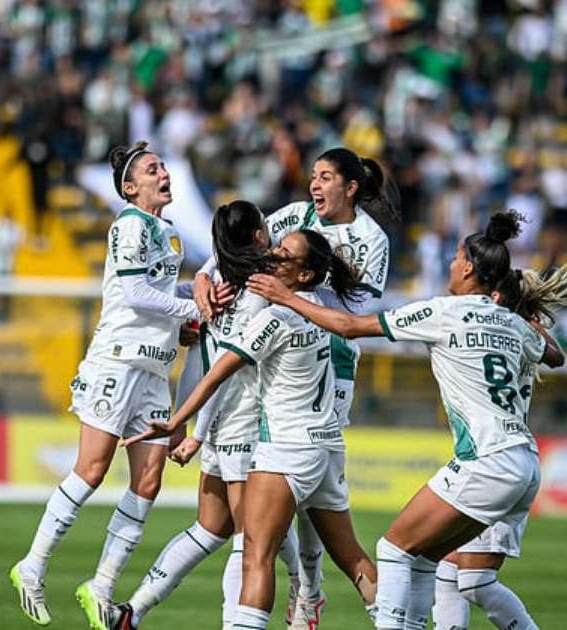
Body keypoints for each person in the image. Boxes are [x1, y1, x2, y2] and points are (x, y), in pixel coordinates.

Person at [246, 211, 565, 630]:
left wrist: (288, 298)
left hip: (486, 460)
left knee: (394, 550)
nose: (450, 264)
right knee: (428, 559)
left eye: (456, 258)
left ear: (468, 268)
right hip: (526, 462)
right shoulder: (513, 322)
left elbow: (350, 327)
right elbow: (555, 355)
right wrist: (517, 315)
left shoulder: (443, 312)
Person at [128, 229, 379, 630]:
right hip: (328, 447)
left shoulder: (275, 318)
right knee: (352, 558)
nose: (273, 256)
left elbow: (217, 374)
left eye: (284, 255)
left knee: (255, 555)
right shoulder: (320, 308)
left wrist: (178, 422)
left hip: (287, 447)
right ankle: (396, 621)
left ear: (304, 274)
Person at [196, 146, 397, 627]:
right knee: (310, 496)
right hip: (278, 359)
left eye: (325, 176)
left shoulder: (372, 240)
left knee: (270, 524)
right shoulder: (295, 216)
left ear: (350, 187)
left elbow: (356, 313)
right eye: (313, 175)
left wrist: (292, 296)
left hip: (330, 367)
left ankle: (307, 586)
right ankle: (312, 588)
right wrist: (203, 277)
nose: (314, 184)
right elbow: (240, 248)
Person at [9, 141, 201, 627]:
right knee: (92, 470)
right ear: (130, 188)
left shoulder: (168, 232)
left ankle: (101, 586)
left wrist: (195, 297)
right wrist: (193, 306)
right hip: (118, 362)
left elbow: (160, 292)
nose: (164, 174)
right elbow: (136, 294)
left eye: (163, 167)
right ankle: (32, 565)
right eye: (153, 170)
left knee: (149, 481)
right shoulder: (130, 224)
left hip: (154, 369)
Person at [109, 201, 301, 629]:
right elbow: (220, 373)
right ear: (258, 236)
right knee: (250, 540)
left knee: (210, 529)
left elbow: (198, 357)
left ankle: (132, 612)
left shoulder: (214, 286)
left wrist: (189, 423)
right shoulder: (259, 295)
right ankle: (300, 592)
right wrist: (193, 431)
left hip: (214, 424)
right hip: (242, 423)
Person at [431, 260, 567, 630]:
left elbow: (556, 356)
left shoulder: (505, 329)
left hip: (499, 458)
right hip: (492, 456)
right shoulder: (518, 333)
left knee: (476, 582)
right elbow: (557, 356)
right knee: (446, 568)